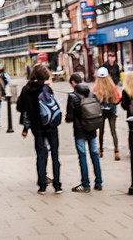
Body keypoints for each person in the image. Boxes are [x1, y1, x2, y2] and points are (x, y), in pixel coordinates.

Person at [16, 63, 62, 194]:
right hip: (51, 125)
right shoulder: (46, 88)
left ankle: (42, 186)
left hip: (36, 126)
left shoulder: (26, 89)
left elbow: (20, 107)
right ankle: (57, 185)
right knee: (55, 155)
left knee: (41, 155)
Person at [66, 73, 102, 192]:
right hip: (92, 128)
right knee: (94, 154)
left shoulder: (72, 96)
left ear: (73, 83)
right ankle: (99, 182)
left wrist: (67, 117)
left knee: (82, 156)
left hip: (80, 130)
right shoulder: (92, 94)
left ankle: (86, 184)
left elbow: (70, 117)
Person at [92, 67, 121, 160]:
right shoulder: (112, 86)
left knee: (101, 132)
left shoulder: (96, 88)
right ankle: (116, 151)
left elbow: (93, 100)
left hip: (101, 112)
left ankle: (101, 150)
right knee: (113, 131)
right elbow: (117, 99)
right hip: (111, 112)